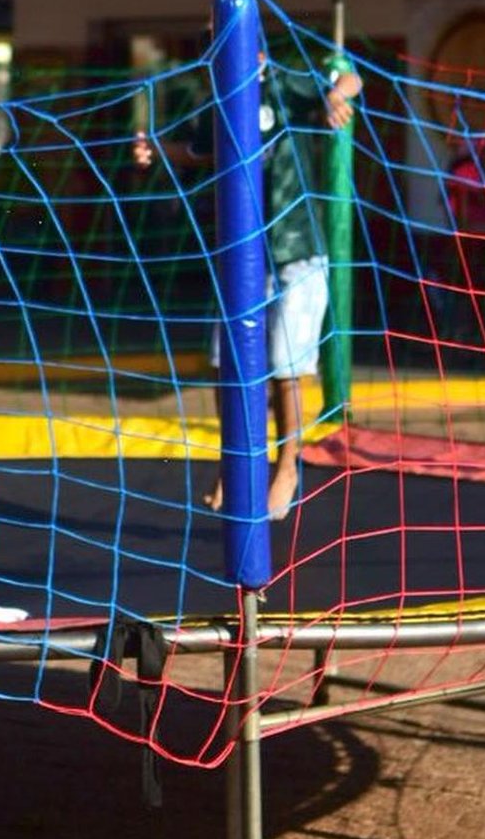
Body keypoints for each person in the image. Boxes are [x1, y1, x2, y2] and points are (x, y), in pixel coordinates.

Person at [134, 49, 362, 522]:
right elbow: (200, 151)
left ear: (253, 50)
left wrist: (337, 96)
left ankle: (287, 466)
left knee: (285, 364)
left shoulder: (286, 82)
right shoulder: (218, 98)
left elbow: (349, 77)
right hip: (243, 255)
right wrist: (156, 148)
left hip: (297, 248)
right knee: (226, 363)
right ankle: (236, 464)